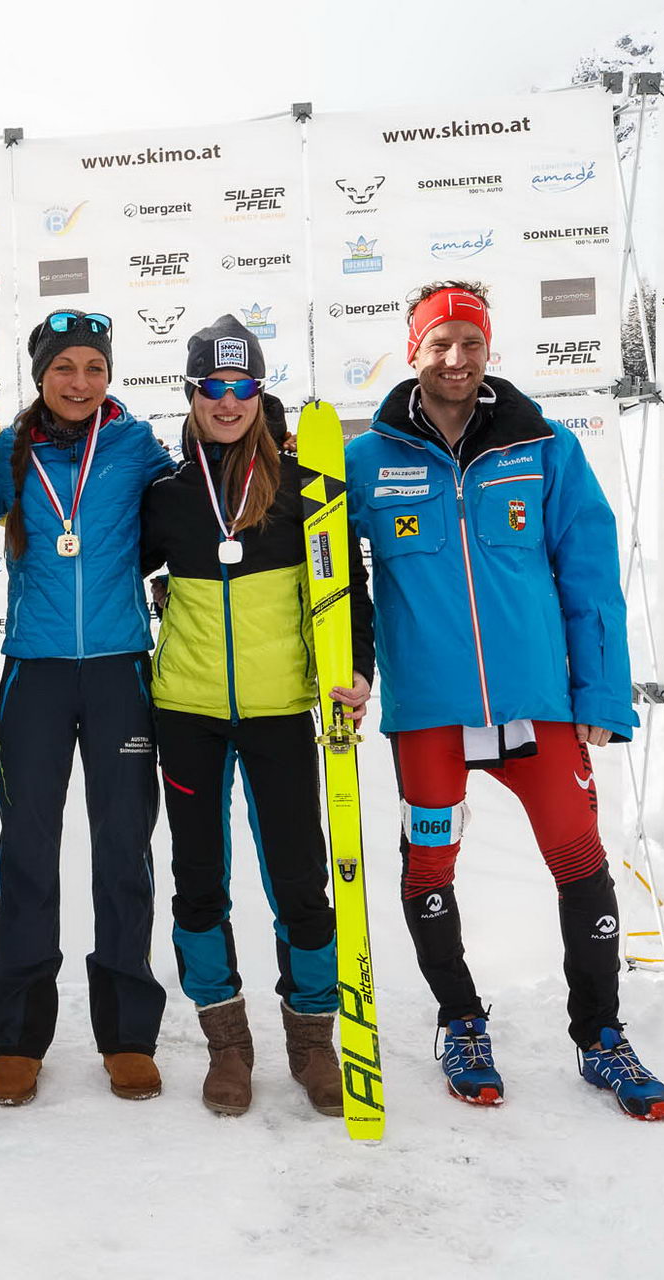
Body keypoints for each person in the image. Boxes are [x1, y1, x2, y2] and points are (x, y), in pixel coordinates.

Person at [344, 281, 664, 1121]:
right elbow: (338, 590)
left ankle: (600, 1036)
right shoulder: (364, 460)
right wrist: (351, 679)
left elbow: (592, 580)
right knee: (430, 863)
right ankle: (460, 1021)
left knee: (578, 857)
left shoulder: (546, 447)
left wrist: (601, 692)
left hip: (538, 704)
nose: (456, 360)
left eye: (471, 343)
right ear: (411, 350)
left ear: (489, 349)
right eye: (439, 344)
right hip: (430, 712)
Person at [140, 316, 374, 1118]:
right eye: (214, 388)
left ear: (260, 393)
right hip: (187, 714)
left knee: (301, 884)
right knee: (199, 885)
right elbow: (107, 576)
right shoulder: (169, 497)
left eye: (243, 388)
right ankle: (227, 1046)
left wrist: (356, 671)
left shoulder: (308, 488)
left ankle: (312, 1041)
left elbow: (349, 594)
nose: (229, 402)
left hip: (280, 712)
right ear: (193, 394)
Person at [0, 310, 175, 1106]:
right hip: (36, 673)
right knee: (27, 850)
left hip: (121, 670)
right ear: (40, 374)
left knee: (123, 849)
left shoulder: (134, 447)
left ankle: (127, 1032)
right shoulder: (6, 450)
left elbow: (195, 499)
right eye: (66, 368)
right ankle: (19, 1035)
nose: (81, 382)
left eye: (95, 367)